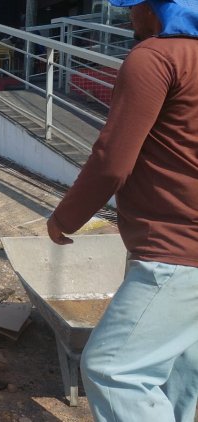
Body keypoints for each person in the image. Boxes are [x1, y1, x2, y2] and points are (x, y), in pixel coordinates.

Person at [46, 0, 198, 420]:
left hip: (172, 250)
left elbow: (111, 160)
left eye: (133, 7)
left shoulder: (154, 58)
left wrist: (64, 218)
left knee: (113, 370)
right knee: (178, 372)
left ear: (155, 10)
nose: (128, 17)